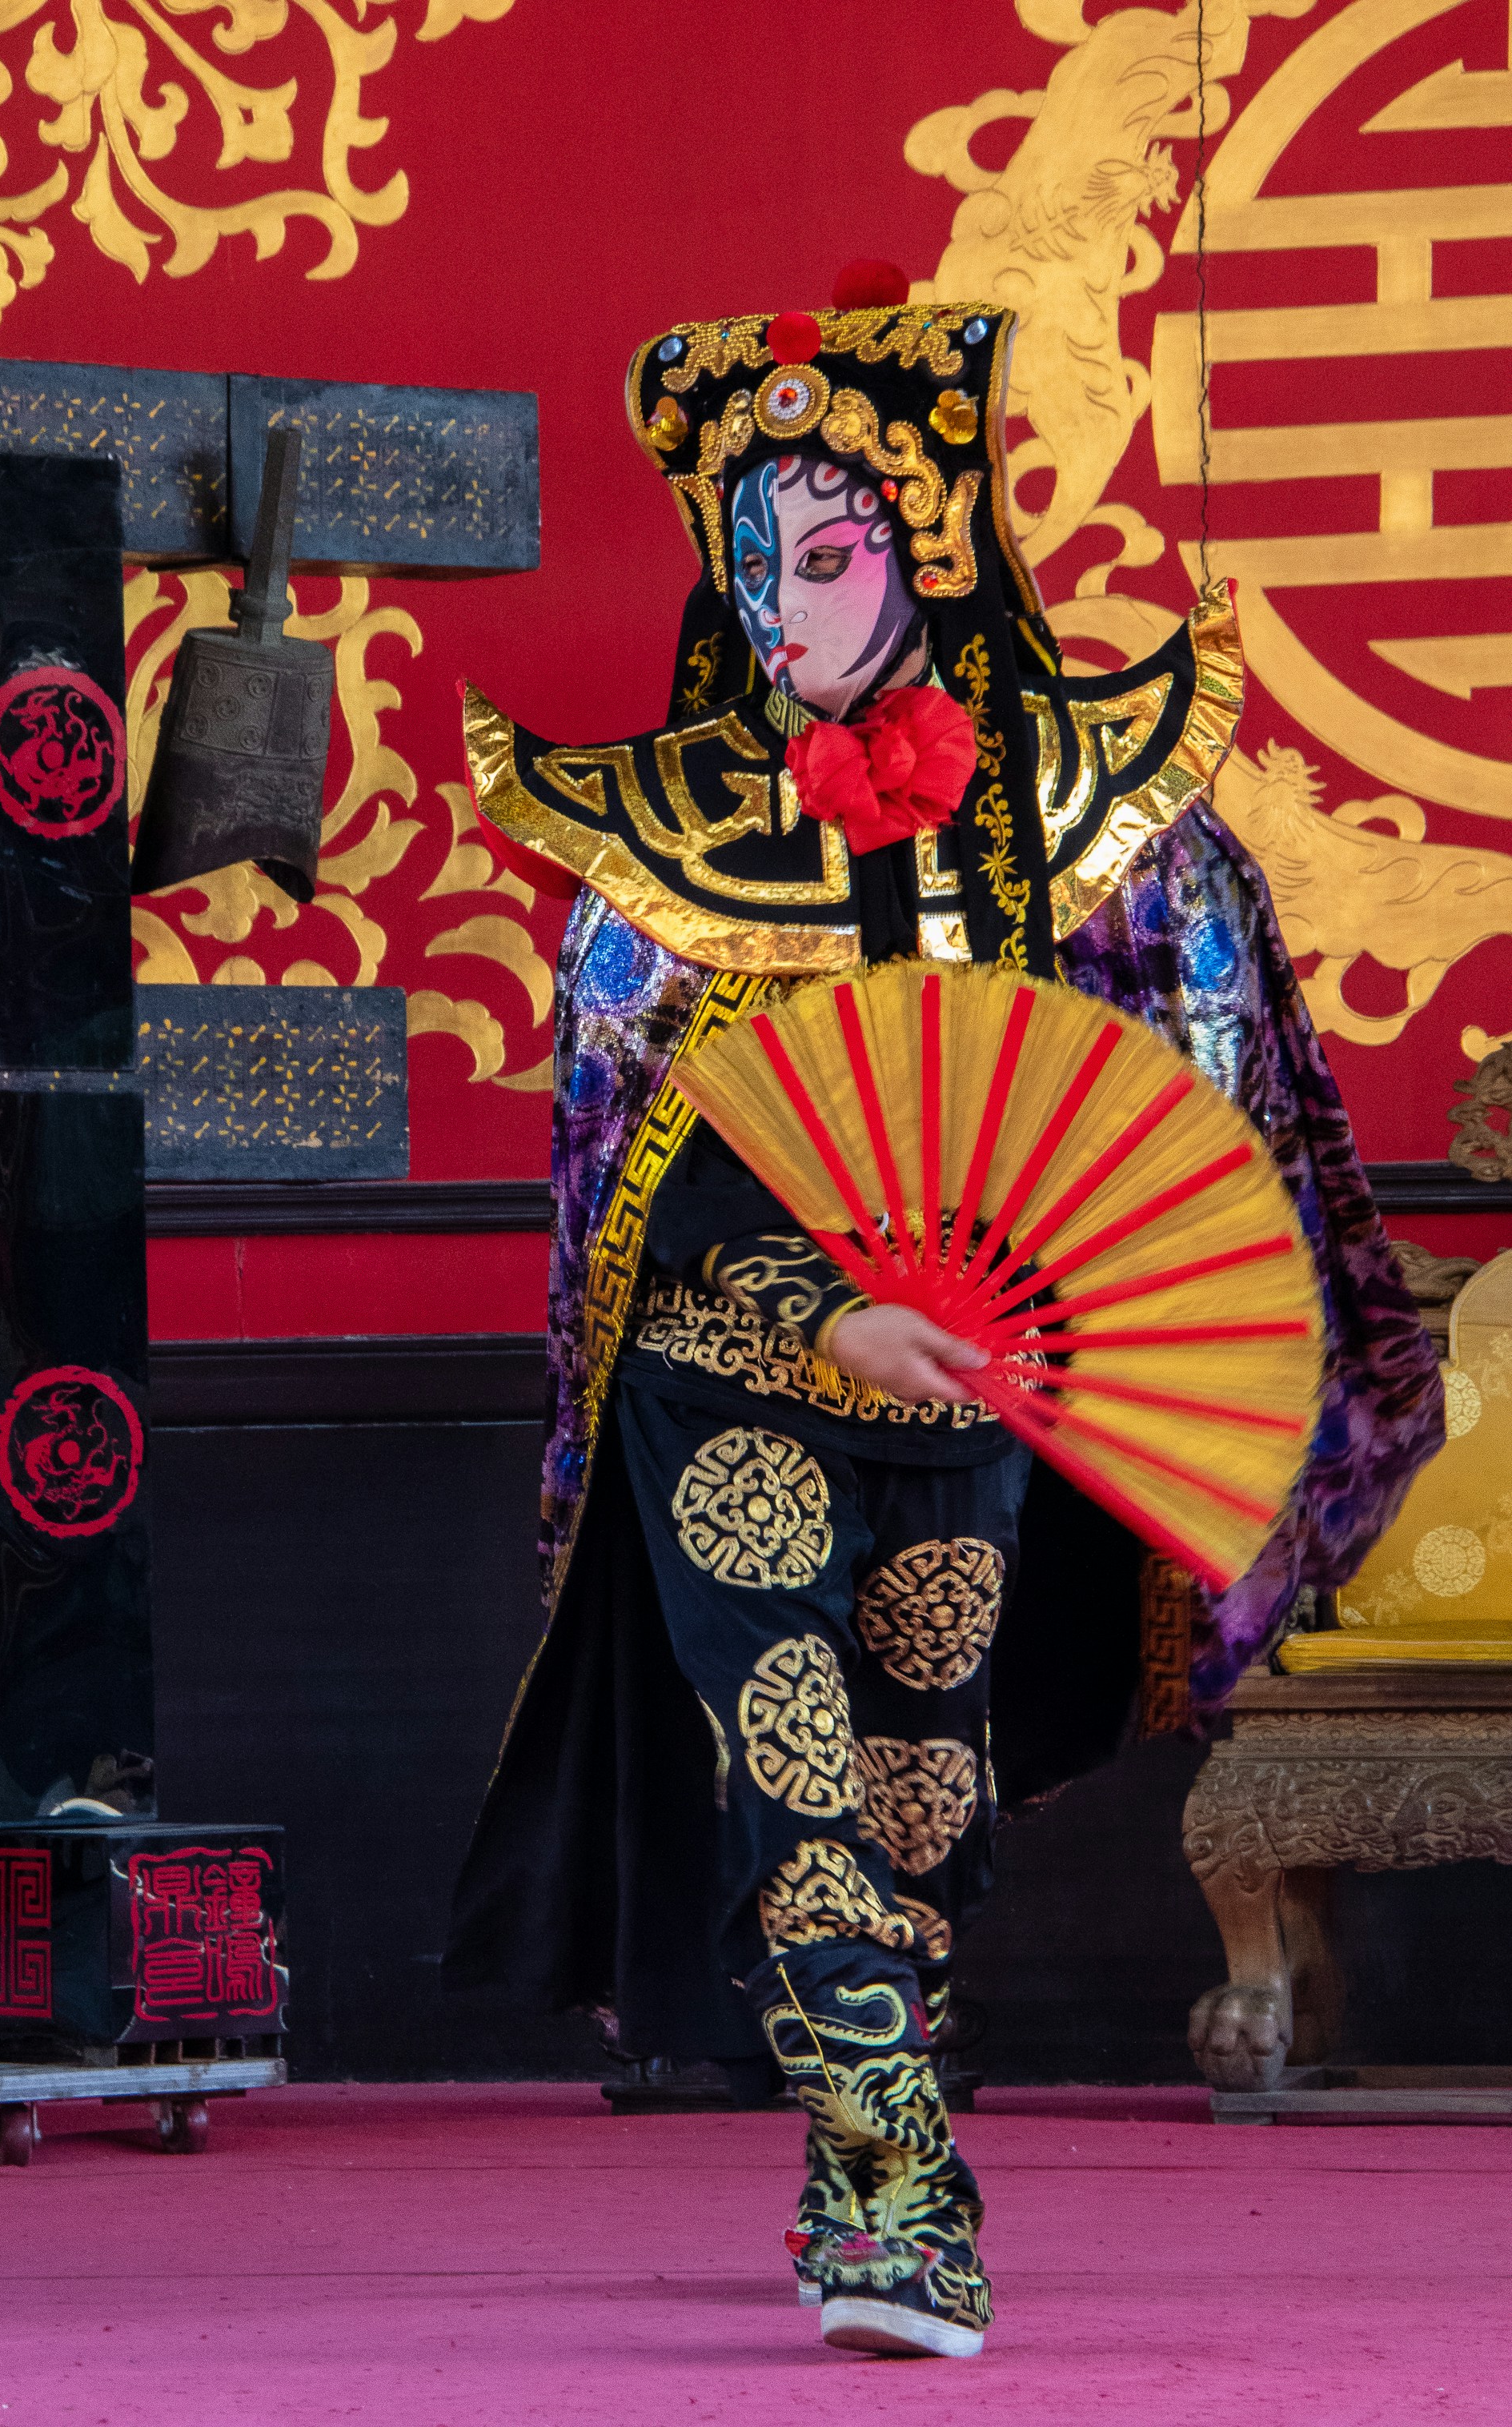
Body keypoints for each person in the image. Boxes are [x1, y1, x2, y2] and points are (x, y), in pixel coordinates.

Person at [443, 268, 1442, 2358]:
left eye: (832, 555)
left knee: (915, 1785)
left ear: (933, 544)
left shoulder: (1087, 833)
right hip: (732, 1372)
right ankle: (912, 2202)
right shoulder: (664, 846)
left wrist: (1085, 1311)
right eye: (754, 564)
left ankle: (848, 2140)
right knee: (798, 1775)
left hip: (979, 1378)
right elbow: (643, 1179)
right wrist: (827, 1313)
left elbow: (1185, 1106)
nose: (791, 607)